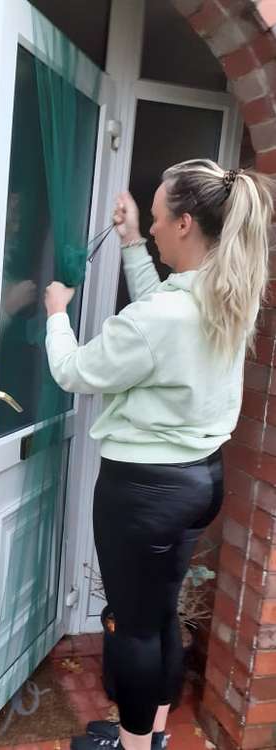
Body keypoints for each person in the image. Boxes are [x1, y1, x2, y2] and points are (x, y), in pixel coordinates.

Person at [44, 159, 274, 750]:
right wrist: (125, 245)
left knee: (137, 630)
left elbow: (73, 372)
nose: (148, 228)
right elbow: (160, 312)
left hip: (143, 493)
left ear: (185, 223)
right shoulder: (229, 295)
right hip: (199, 484)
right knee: (160, 616)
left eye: (153, 219)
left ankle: (133, 744)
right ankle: (154, 733)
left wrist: (55, 315)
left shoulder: (163, 318)